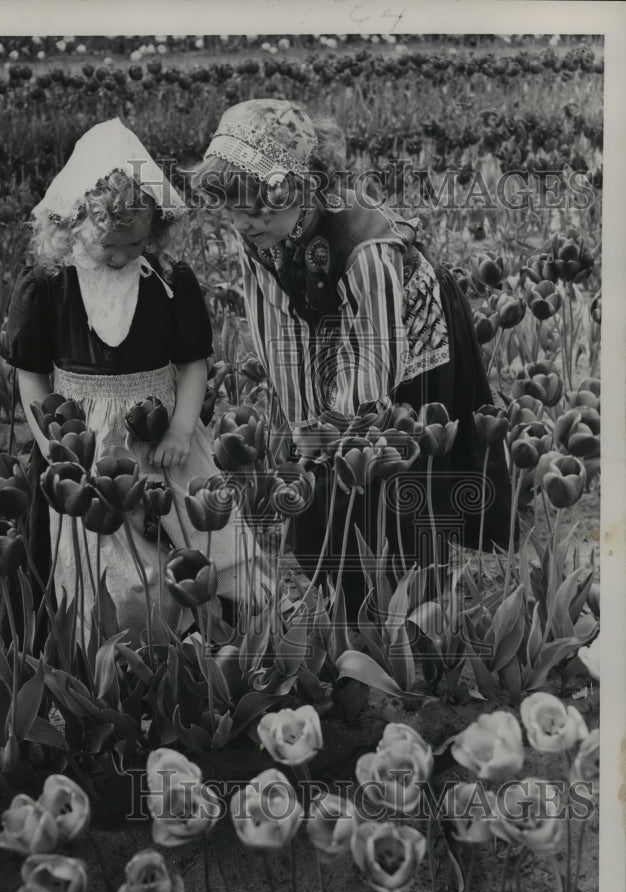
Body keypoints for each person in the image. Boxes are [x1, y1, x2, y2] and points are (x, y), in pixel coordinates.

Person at [190, 99, 511, 617]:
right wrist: (305, 427)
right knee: (321, 468)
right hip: (329, 322)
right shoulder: (261, 237)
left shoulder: (364, 245)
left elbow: (374, 357)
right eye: (232, 208)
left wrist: (340, 431)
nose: (244, 223)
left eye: (257, 208)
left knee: (393, 463)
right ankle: (346, 592)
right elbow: (278, 330)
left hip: (406, 338)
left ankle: (413, 600)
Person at [1, 119, 255, 646]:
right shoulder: (50, 283)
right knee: (100, 568)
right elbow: (30, 373)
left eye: (134, 243)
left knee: (219, 549)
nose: (119, 256)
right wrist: (52, 444)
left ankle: (215, 648)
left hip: (161, 437)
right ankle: (111, 653)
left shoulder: (167, 280)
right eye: (105, 246)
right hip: (79, 442)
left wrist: (183, 427)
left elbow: (192, 363)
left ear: (156, 229)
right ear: (72, 223)